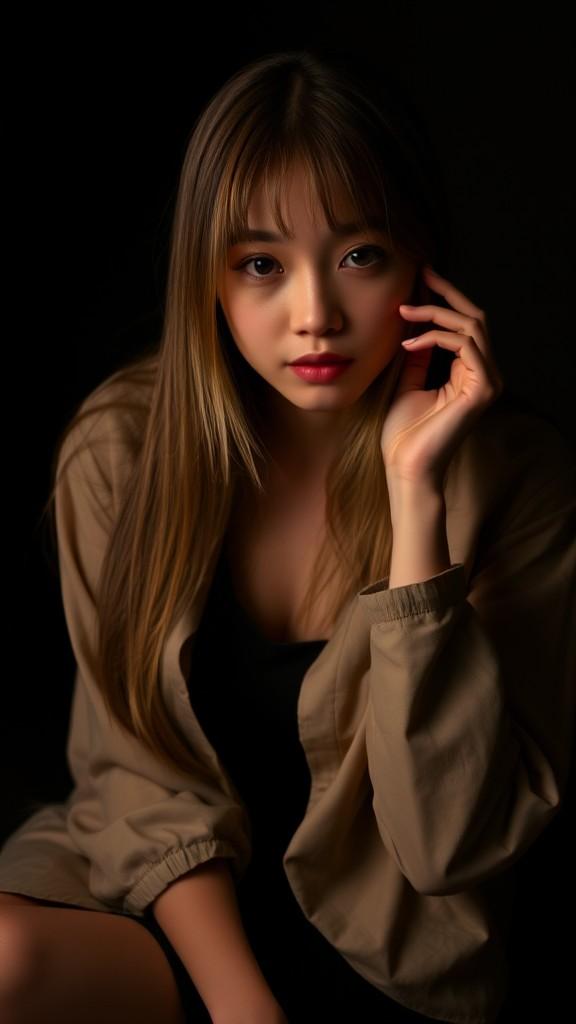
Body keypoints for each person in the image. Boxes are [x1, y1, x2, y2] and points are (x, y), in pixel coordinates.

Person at [0, 46, 574, 1024]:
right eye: (261, 265)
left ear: (421, 263)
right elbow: (136, 771)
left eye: (358, 255)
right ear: (209, 282)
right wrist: (241, 1006)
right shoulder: (121, 449)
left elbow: (448, 846)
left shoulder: (516, 480)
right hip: (171, 902)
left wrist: (415, 492)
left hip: (385, 949)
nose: (314, 316)